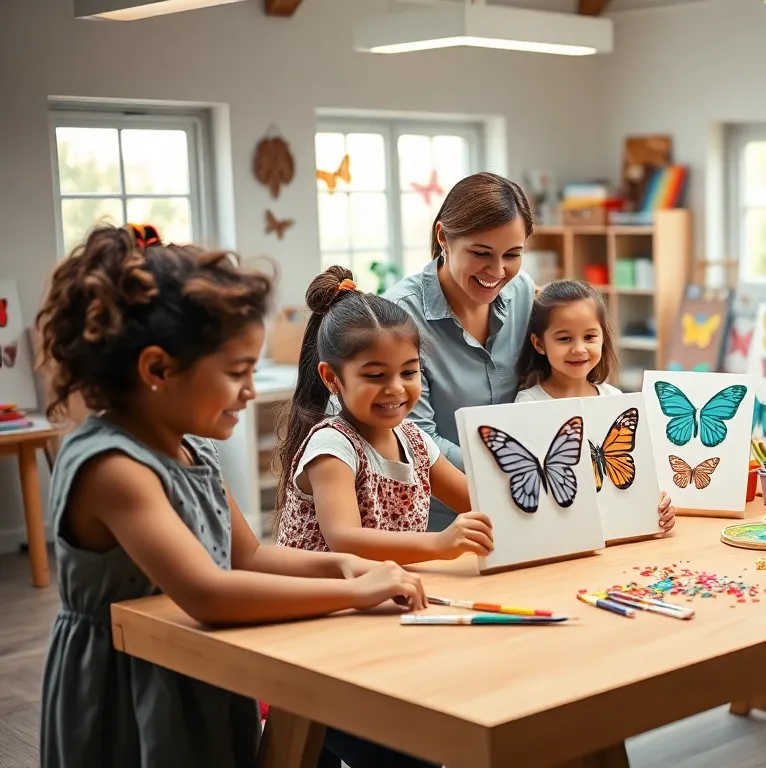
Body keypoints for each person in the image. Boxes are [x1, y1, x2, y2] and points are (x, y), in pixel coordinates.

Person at [36, 225, 426, 768]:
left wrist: (347, 566)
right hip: (127, 686)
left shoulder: (189, 447)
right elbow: (209, 593)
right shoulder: (113, 468)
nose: (249, 390)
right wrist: (354, 594)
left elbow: (251, 556)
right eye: (237, 372)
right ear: (157, 369)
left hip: (200, 667)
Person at [272, 266, 495, 564]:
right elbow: (345, 539)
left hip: (381, 593)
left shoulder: (415, 442)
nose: (396, 388)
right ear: (331, 378)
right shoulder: (332, 448)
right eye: (376, 375)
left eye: (409, 372)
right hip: (322, 603)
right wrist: (440, 543)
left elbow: (481, 503)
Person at [384, 172, 536, 529]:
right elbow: (415, 440)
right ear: (444, 238)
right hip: (432, 524)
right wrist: (519, 461)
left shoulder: (522, 293)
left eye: (512, 255)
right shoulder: (398, 317)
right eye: (481, 253)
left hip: (526, 505)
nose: (497, 271)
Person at [514, 280, 676, 533]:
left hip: (620, 533)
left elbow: (639, 474)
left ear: (603, 337)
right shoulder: (528, 404)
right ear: (539, 344)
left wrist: (658, 504)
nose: (579, 349)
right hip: (563, 535)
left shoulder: (614, 398)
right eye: (564, 338)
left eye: (590, 336)